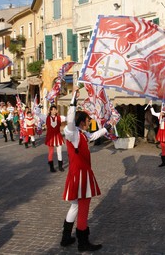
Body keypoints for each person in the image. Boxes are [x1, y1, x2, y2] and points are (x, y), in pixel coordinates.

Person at [61, 89, 112, 252]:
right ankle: (83, 243)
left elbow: (94, 136)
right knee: (83, 207)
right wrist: (74, 99)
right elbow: (70, 120)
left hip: (78, 174)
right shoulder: (72, 132)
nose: (90, 122)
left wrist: (108, 127)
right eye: (88, 120)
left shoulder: (81, 133)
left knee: (75, 206)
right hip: (80, 175)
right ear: (82, 121)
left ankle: (66, 237)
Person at [44, 105, 66, 172]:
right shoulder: (46, 117)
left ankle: (60, 166)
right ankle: (51, 167)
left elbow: (69, 118)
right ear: (50, 111)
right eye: (52, 109)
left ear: (56, 110)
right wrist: (39, 107)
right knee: (51, 152)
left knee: (59, 152)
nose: (54, 111)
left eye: (55, 109)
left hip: (58, 136)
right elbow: (38, 114)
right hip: (50, 137)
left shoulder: (60, 117)